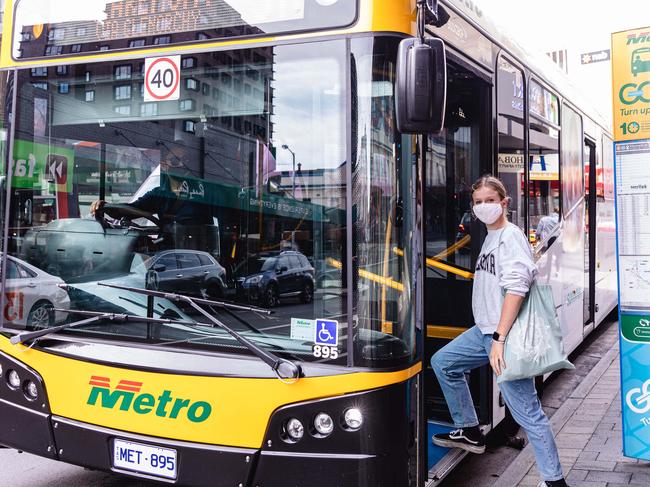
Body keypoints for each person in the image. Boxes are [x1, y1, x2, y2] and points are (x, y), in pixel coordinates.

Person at [430, 175, 568, 487]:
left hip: (504, 336)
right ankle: (468, 428)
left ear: (504, 203)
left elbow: (517, 288)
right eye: (477, 202)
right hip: (484, 331)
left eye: (489, 200)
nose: (483, 206)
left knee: (528, 414)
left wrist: (500, 339)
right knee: (443, 362)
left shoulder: (510, 236)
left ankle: (555, 481)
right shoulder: (491, 237)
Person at [90, 146, 213, 247]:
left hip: (196, 251)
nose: (181, 165)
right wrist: (105, 206)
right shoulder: (159, 194)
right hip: (167, 251)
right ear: (164, 165)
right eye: (175, 161)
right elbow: (131, 210)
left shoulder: (201, 191)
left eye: (186, 161)